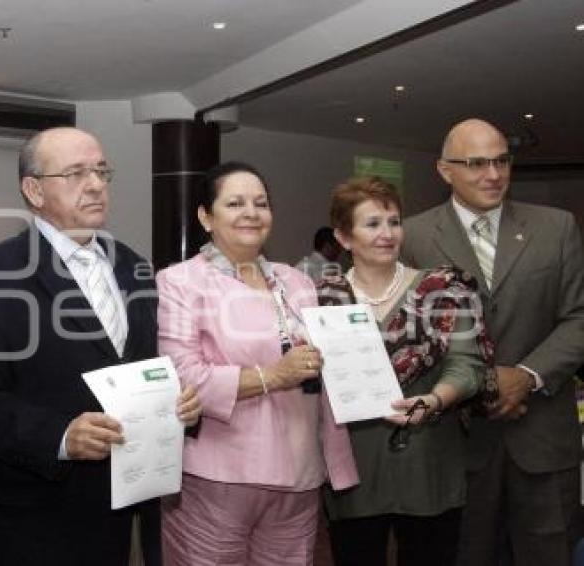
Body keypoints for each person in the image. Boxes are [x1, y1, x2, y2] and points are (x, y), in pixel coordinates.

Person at [0, 126, 201, 566]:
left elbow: (142, 365)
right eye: (76, 173)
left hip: (130, 510)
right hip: (38, 520)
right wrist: (61, 435)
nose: (96, 184)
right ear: (34, 190)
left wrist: (178, 403)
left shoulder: (134, 267)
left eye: (102, 171)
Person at [400, 118, 584, 565]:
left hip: (542, 436)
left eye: (502, 161)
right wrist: (474, 387)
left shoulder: (556, 227)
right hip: (455, 443)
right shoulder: (412, 237)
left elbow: (578, 317)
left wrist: (527, 376)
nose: (494, 174)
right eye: (477, 163)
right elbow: (406, 336)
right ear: (444, 170)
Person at [157, 161, 358, 566]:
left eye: (261, 203)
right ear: (206, 217)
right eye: (235, 203)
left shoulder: (297, 281)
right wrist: (275, 375)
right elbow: (183, 378)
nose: (251, 212)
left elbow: (324, 369)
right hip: (218, 475)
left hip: (299, 473)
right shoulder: (180, 281)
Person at [319, 176, 492, 566]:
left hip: (429, 463)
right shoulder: (321, 301)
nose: (387, 234)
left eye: (394, 222)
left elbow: (468, 367)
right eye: (372, 224)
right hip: (355, 469)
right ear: (344, 237)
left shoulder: (444, 290)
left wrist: (434, 400)